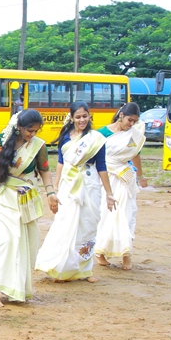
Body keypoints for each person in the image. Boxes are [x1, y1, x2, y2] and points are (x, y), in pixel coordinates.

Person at [0, 110, 56, 307]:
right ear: (19, 127)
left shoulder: (38, 146)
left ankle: (15, 289)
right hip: (4, 198)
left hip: (26, 199)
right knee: (7, 241)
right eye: (28, 131)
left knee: (26, 243)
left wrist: (51, 193)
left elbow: (45, 171)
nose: (32, 135)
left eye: (35, 131)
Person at [35, 103, 116, 282]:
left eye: (85, 116)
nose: (82, 120)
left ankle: (85, 270)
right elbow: (61, 163)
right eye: (78, 117)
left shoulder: (96, 139)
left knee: (87, 226)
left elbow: (102, 166)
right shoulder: (65, 137)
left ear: (89, 117)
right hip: (69, 185)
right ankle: (60, 267)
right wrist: (54, 188)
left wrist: (109, 193)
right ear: (72, 118)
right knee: (65, 225)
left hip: (90, 185)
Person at [95, 102, 147, 271]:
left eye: (134, 121)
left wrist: (141, 175)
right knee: (105, 215)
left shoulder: (133, 135)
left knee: (125, 215)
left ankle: (126, 255)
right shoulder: (102, 133)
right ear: (121, 115)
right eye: (129, 120)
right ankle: (100, 253)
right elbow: (91, 155)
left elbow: (135, 155)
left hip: (124, 178)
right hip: (105, 178)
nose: (131, 124)